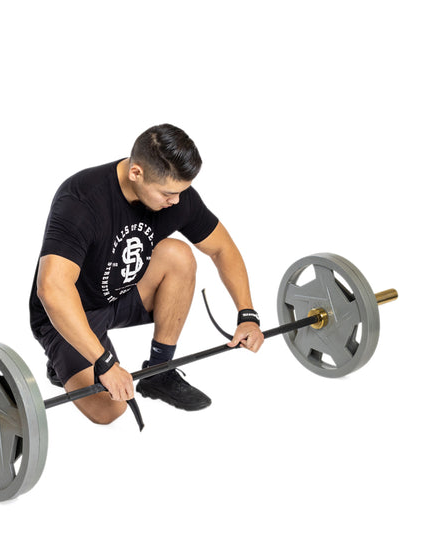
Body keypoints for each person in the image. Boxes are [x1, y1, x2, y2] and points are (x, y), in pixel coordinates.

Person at [29, 124, 264, 425]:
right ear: (136, 173)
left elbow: (222, 250)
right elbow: (52, 290)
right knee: (110, 410)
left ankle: (160, 372)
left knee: (178, 256)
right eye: (168, 193)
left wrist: (247, 314)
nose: (176, 201)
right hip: (68, 313)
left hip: (118, 296)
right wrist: (105, 362)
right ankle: (65, 364)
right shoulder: (82, 199)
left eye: (181, 191)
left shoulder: (177, 196)